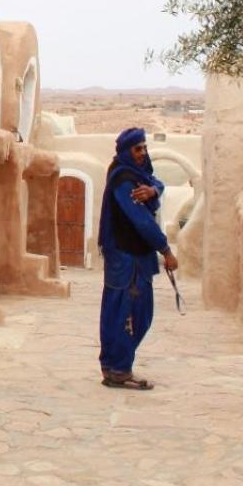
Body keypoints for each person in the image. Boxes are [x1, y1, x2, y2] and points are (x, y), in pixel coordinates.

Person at [97, 126, 178, 389]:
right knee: (130, 314)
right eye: (137, 149)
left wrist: (154, 191)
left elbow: (156, 181)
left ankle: (114, 367)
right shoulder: (124, 180)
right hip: (126, 259)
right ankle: (118, 369)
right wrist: (165, 249)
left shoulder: (137, 175)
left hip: (132, 258)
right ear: (126, 151)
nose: (142, 153)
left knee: (125, 312)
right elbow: (141, 221)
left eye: (144, 147)